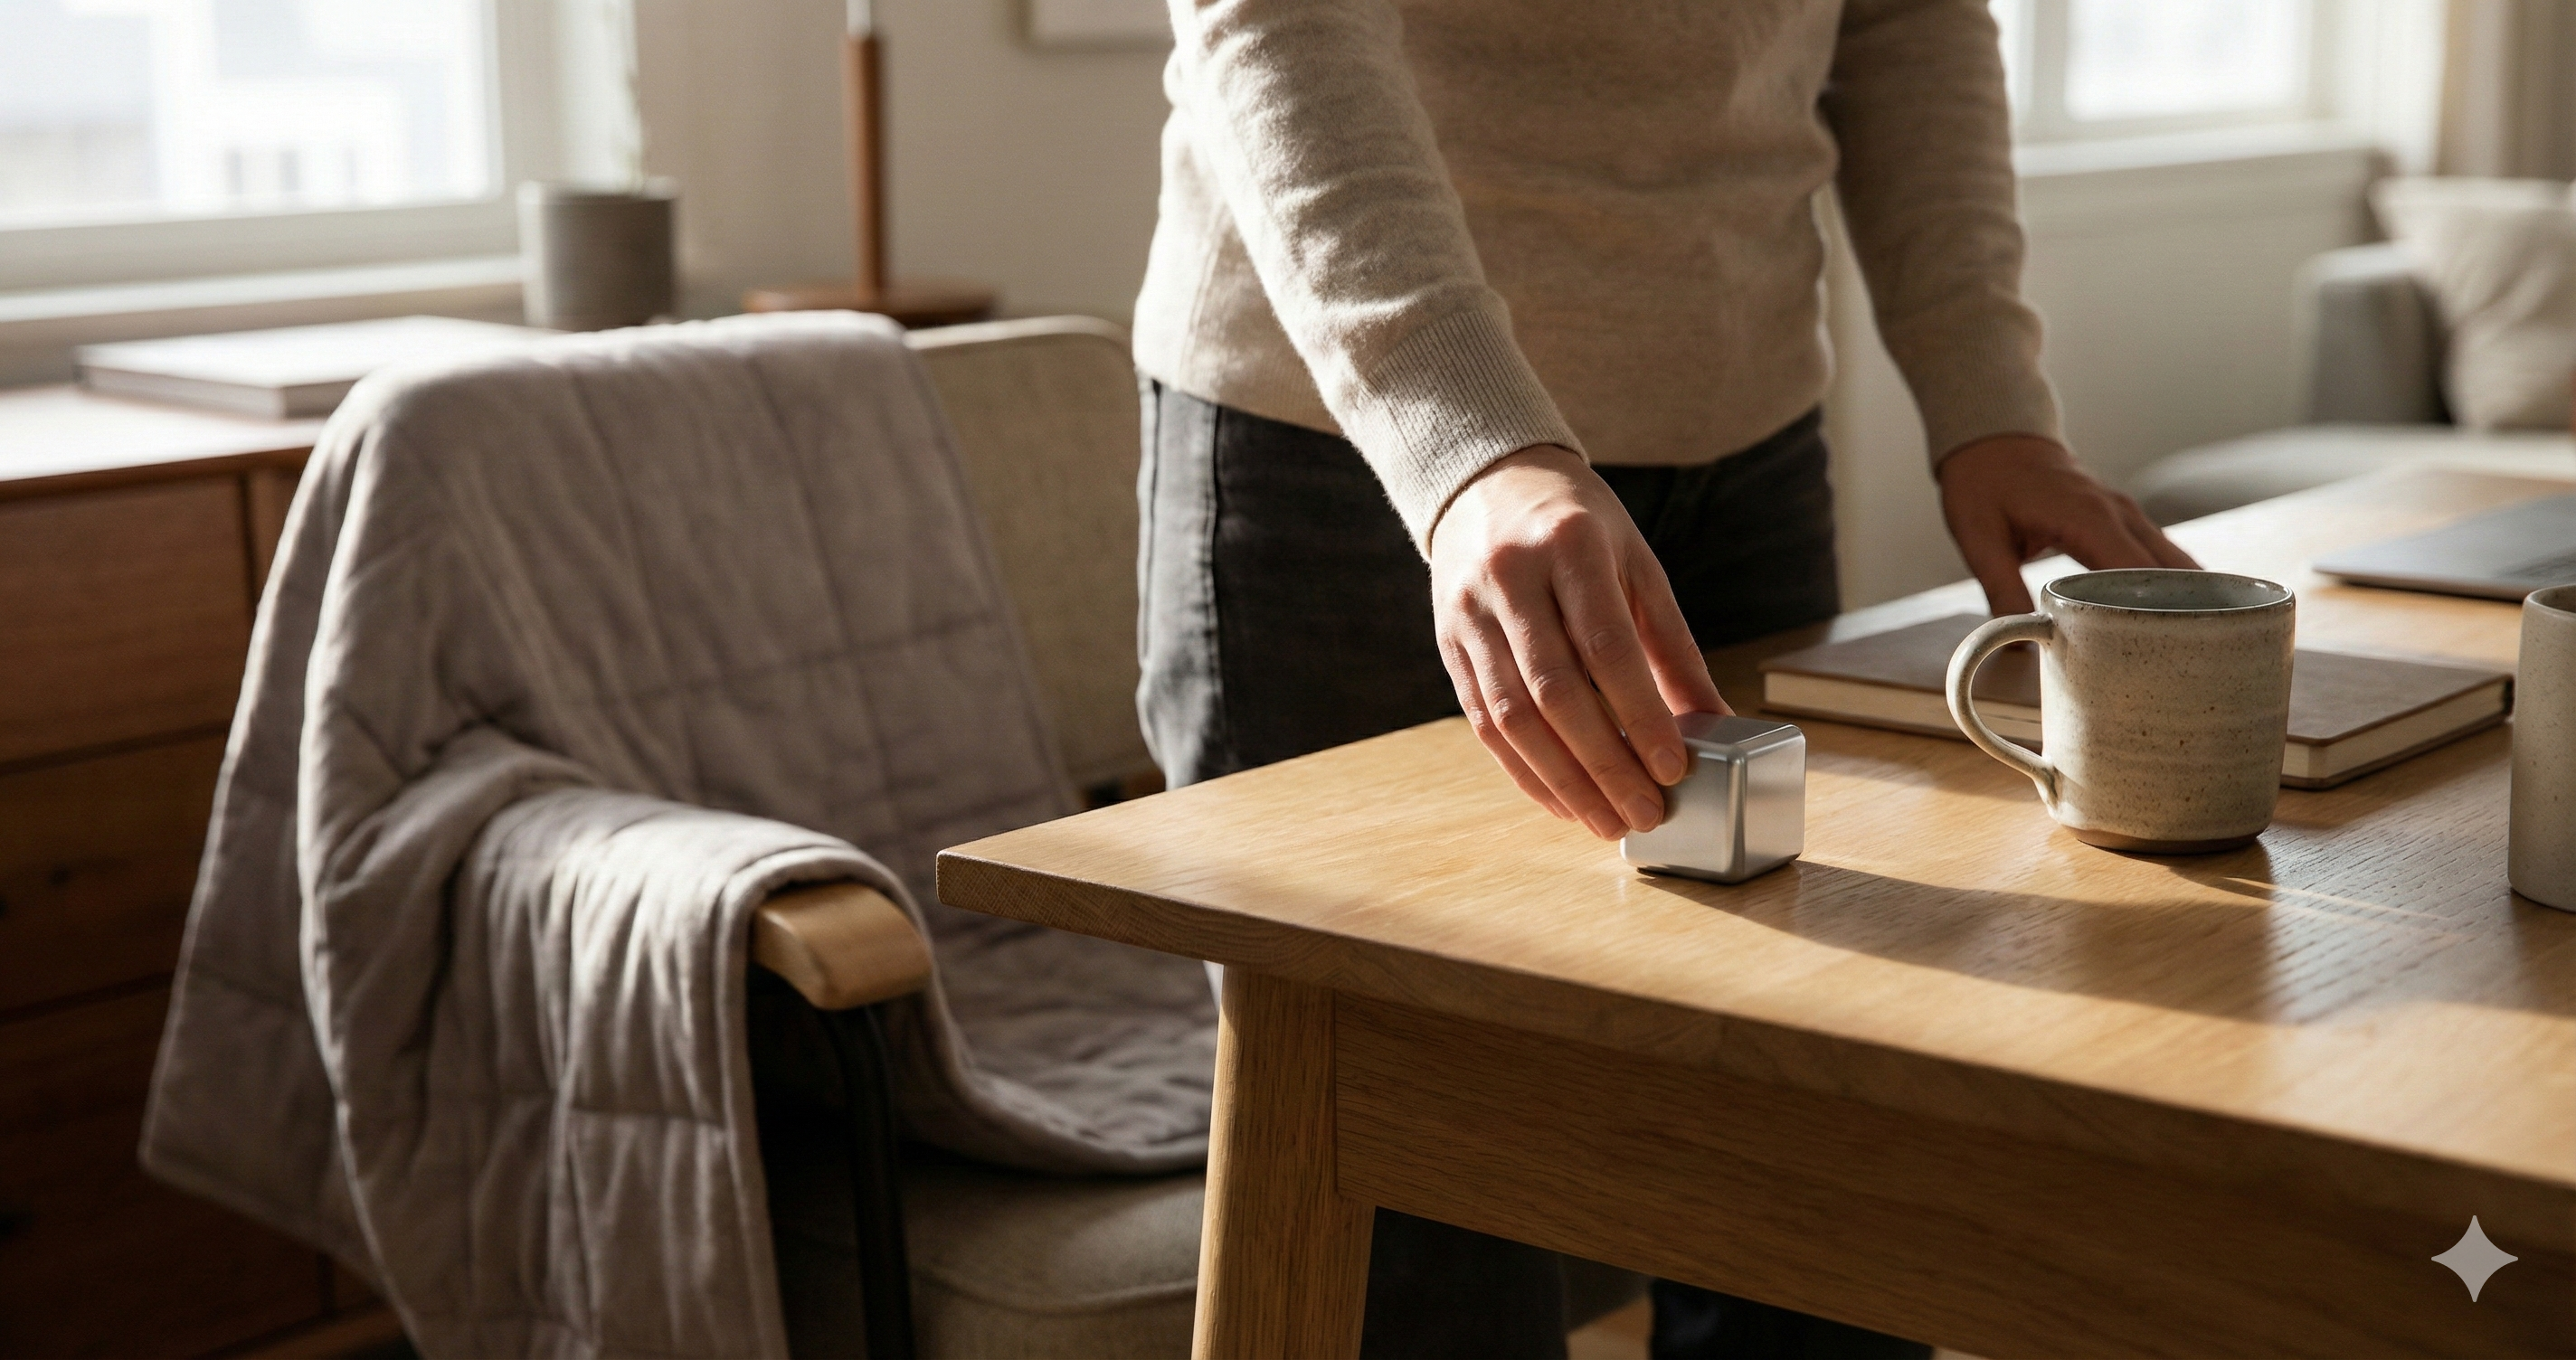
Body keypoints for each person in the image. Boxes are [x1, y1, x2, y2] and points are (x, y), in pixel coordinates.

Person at [1130, 2, 2195, 1356]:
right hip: (1347, 451)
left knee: (1814, 1213)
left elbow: (1909, 16)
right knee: (1420, 1250)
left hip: (1737, 436)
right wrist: (1469, 445)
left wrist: (1991, 402)